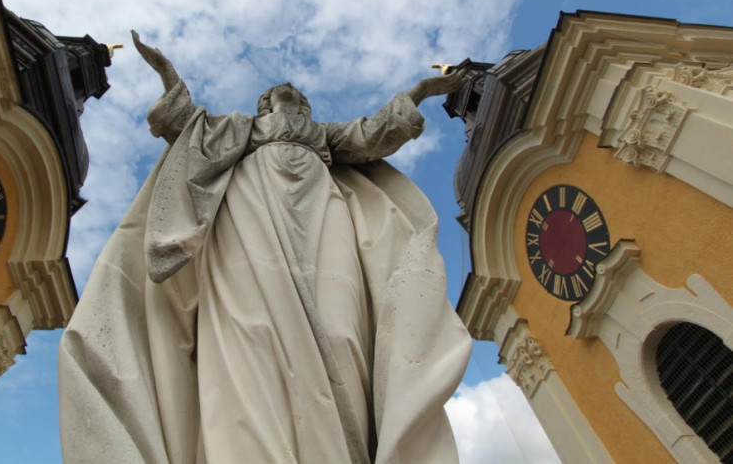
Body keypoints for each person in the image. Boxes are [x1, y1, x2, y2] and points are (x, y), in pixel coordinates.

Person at [58, 31, 472, 464]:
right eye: (277, 91)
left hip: (323, 209)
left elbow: (373, 135)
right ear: (264, 104)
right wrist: (167, 74)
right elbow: (185, 126)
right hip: (248, 208)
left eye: (297, 93)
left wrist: (419, 93)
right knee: (248, 326)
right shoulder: (240, 130)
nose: (287, 89)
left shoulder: (325, 136)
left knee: (341, 329)